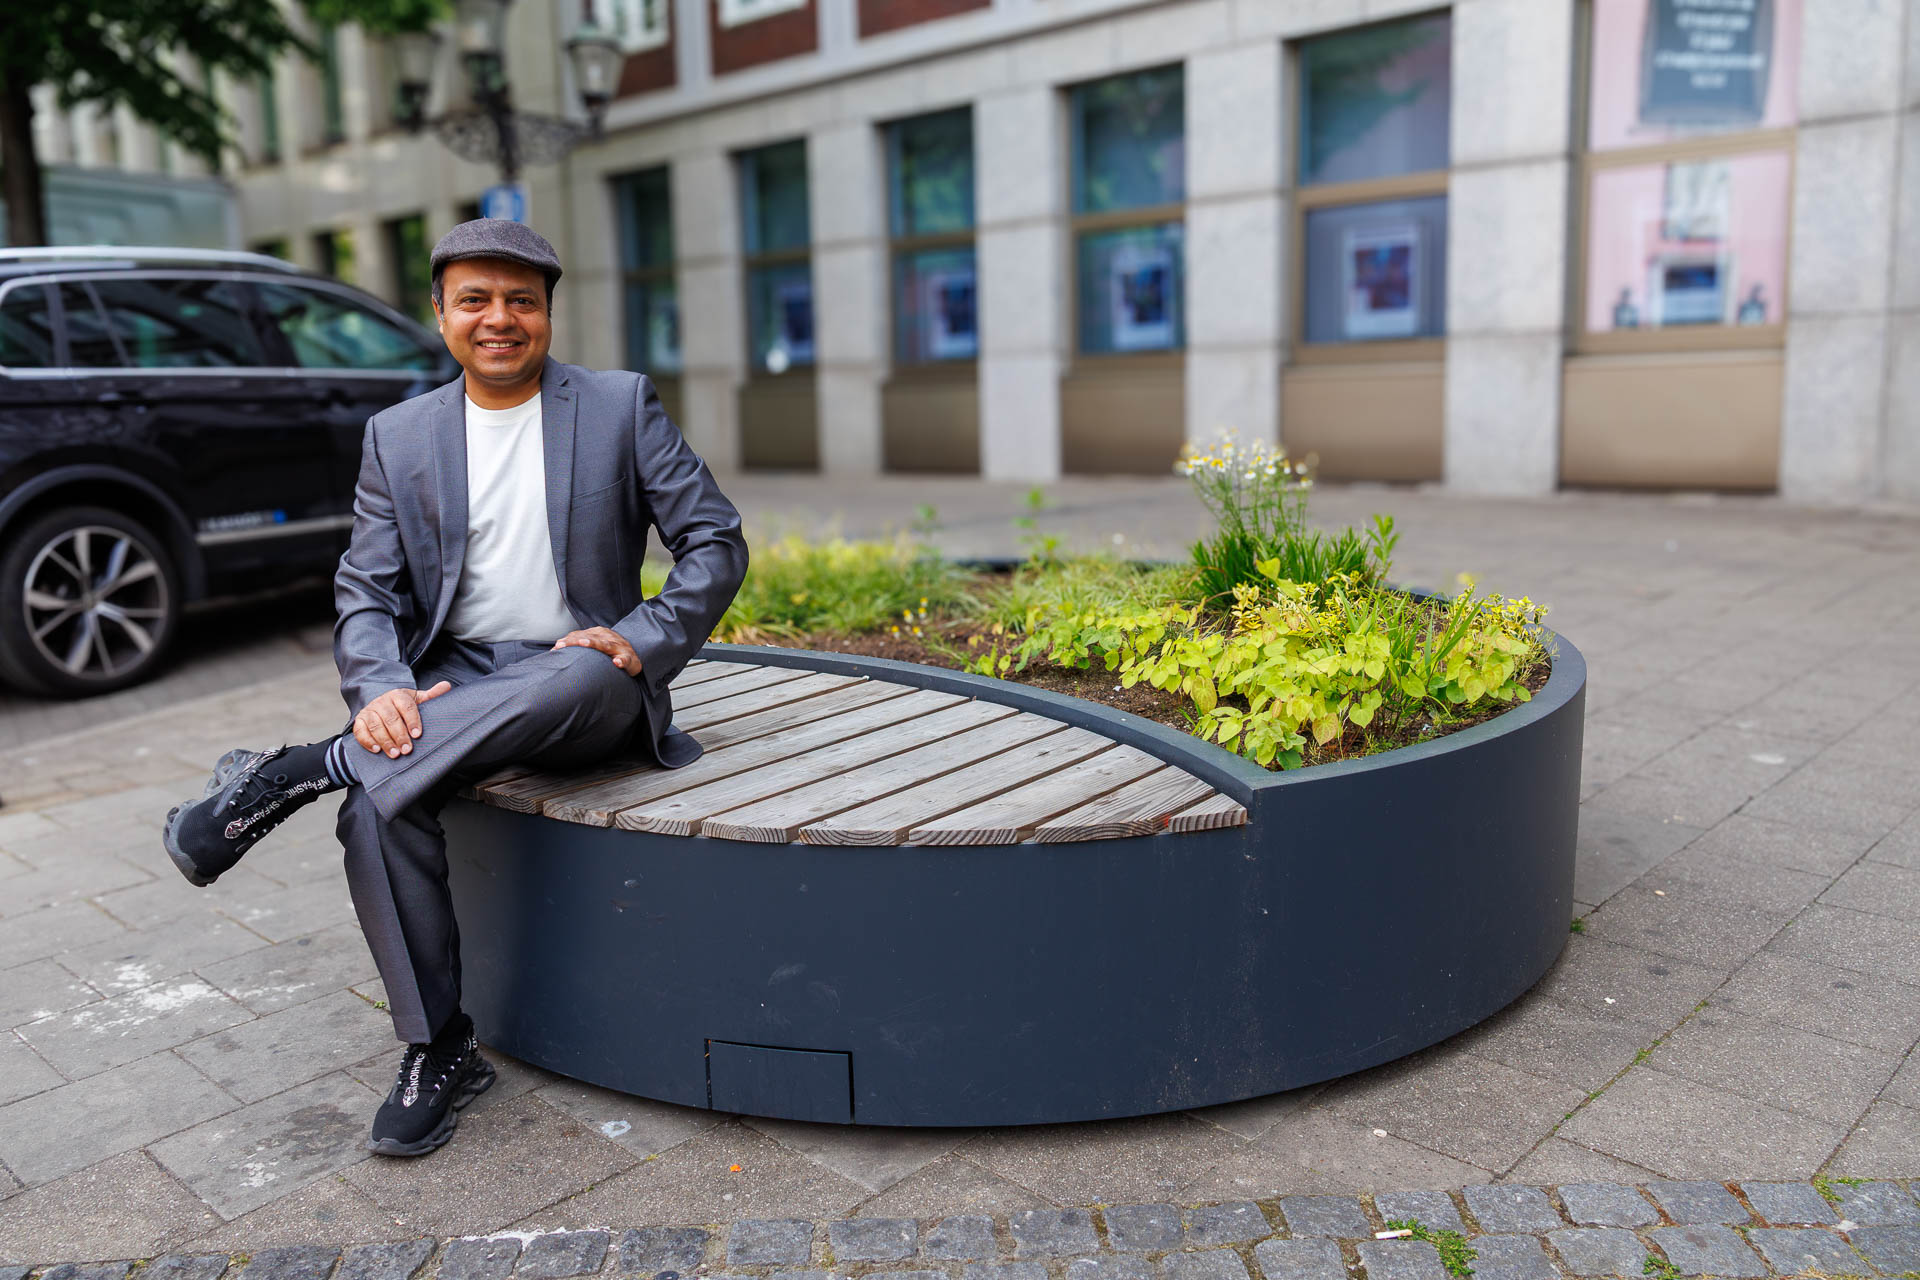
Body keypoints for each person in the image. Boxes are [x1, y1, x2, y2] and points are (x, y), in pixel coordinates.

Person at [161, 219, 748, 1157]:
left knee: (571, 674)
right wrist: (381, 689)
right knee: (377, 811)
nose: (500, 318)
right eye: (475, 299)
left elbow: (715, 541)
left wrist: (644, 638)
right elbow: (366, 591)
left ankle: (301, 770)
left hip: (587, 676)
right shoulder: (400, 436)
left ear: (547, 313)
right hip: (456, 680)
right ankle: (439, 1046)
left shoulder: (620, 405)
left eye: (521, 300)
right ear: (440, 315)